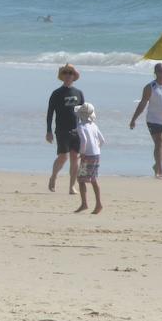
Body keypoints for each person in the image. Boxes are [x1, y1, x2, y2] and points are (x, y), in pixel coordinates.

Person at [45, 63, 85, 194]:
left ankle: (71, 186)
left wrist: (86, 130)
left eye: (70, 73)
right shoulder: (56, 93)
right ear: (62, 76)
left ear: (74, 76)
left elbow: (83, 113)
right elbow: (50, 112)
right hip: (62, 130)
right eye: (66, 73)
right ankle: (54, 176)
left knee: (75, 157)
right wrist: (49, 131)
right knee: (63, 157)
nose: (68, 75)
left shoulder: (79, 93)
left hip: (77, 130)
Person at [74, 103, 104, 214]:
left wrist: (82, 153)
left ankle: (84, 204)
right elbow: (102, 140)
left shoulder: (80, 127)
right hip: (96, 154)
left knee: (81, 180)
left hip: (87, 156)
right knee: (94, 179)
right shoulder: (94, 125)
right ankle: (98, 204)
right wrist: (96, 149)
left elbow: (84, 141)